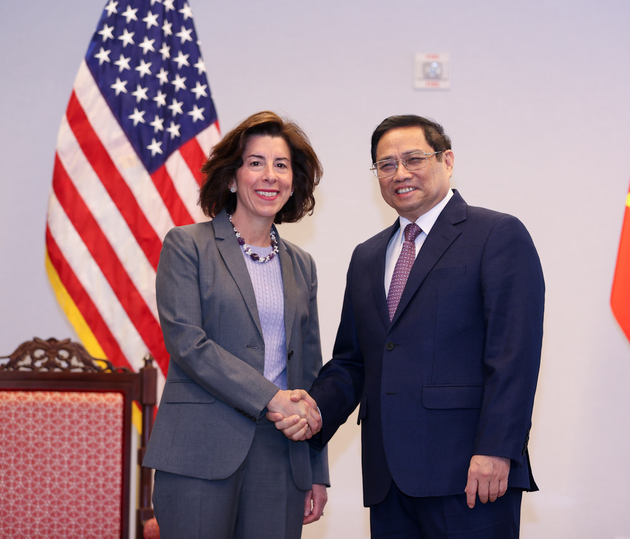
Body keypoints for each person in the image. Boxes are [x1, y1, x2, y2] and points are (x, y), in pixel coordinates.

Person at [272, 115, 544, 538]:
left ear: (447, 160)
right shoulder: (367, 256)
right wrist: (315, 410)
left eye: (413, 158)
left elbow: (514, 357)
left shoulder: (497, 235)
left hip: (470, 475)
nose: (400, 173)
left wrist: (497, 450)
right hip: (388, 480)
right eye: (386, 165)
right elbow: (352, 362)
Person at [143, 111, 329, 539]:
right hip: (199, 452)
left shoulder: (302, 264)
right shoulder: (187, 245)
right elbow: (189, 344)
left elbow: (310, 373)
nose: (270, 175)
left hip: (281, 454)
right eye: (256, 162)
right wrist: (272, 399)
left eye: (281, 165)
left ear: (294, 182)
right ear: (232, 177)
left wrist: (315, 467)